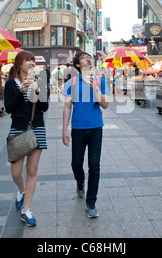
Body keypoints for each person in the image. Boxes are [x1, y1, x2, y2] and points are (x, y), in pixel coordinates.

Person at [62, 51, 110, 219]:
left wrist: (95, 88)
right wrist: (64, 129)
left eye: (89, 57)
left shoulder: (100, 81)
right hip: (78, 129)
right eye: (83, 58)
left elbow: (105, 105)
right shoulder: (72, 83)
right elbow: (67, 107)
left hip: (96, 128)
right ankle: (80, 182)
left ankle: (91, 203)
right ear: (77, 64)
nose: (88, 59)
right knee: (76, 163)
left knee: (94, 166)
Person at [4, 51, 49, 227]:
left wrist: (38, 90)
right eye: (27, 60)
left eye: (33, 60)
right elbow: (9, 108)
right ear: (19, 64)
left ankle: (26, 209)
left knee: (32, 171)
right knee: (16, 172)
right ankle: (21, 191)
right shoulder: (10, 84)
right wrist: (20, 92)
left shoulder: (41, 81)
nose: (31, 63)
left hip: (37, 128)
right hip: (18, 129)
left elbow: (44, 108)